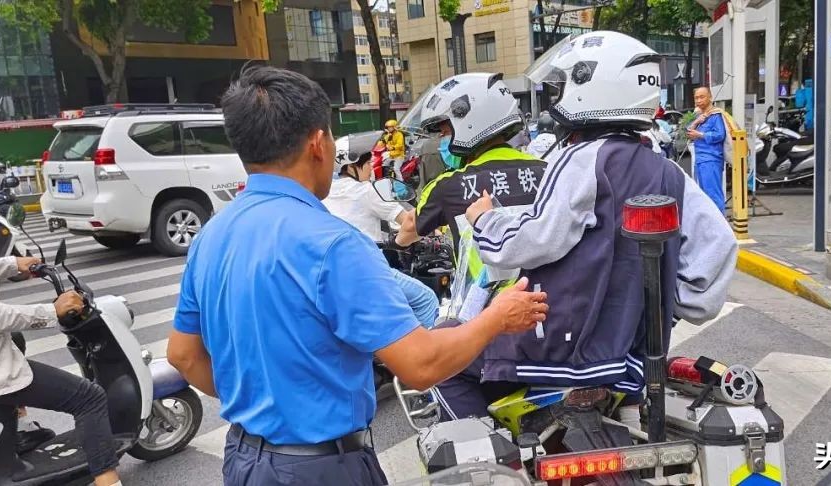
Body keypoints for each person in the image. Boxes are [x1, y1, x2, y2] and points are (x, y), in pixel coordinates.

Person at [165, 66, 548, 486]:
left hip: (243, 460)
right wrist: (497, 318)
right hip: (322, 469)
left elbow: (183, 355)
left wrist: (263, 401)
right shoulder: (332, 243)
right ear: (316, 143)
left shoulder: (211, 236)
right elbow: (421, 365)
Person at [443, 31, 737, 422]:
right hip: (632, 358)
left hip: (562, 352)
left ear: (590, 86)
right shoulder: (668, 172)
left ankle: (499, 470)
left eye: (563, 85)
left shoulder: (583, 158)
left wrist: (485, 218)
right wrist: (662, 304)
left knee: (443, 353)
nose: (557, 95)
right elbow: (718, 248)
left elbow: (530, 241)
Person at [0, 144, 121, 486]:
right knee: (90, 398)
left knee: (18, 343)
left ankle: (25, 429)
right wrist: (52, 311)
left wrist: (12, 264)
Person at [394, 73, 547, 250]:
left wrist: (395, 243)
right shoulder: (548, 171)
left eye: (444, 133)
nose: (442, 142)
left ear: (470, 122)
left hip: (486, 279)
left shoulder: (447, 186)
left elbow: (412, 225)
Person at [323, 144, 440, 327]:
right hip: (365, 269)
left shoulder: (327, 191)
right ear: (353, 167)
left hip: (333, 273)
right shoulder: (367, 190)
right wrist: (435, 228)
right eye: (368, 163)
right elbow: (410, 222)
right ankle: (425, 353)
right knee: (426, 299)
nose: (371, 168)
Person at [688, 86, 742, 215]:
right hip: (700, 160)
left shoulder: (716, 115)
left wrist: (700, 135)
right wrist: (696, 122)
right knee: (704, 195)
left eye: (702, 97)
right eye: (696, 98)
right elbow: (688, 132)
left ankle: (721, 226)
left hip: (711, 159)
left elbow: (720, 135)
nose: (699, 100)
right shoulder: (699, 116)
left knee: (713, 194)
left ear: (710, 97)